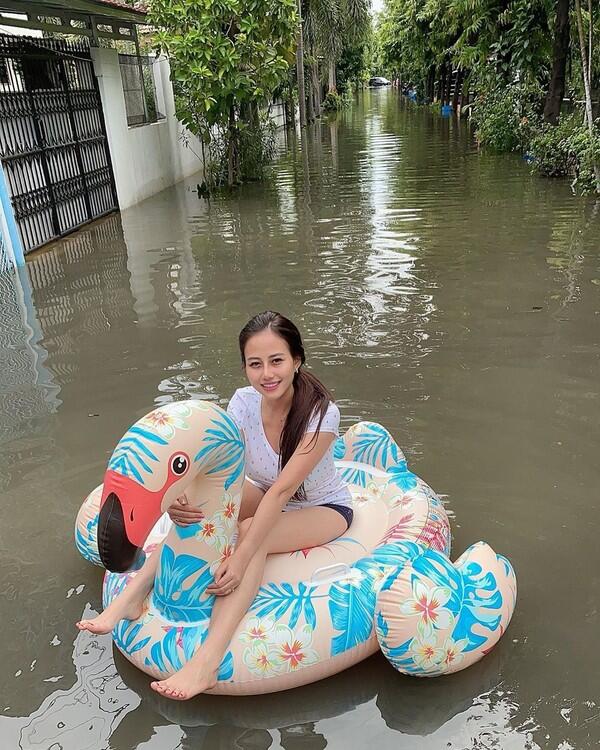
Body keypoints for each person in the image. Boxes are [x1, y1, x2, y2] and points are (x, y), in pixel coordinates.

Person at [77, 311, 353, 700]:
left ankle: (206, 663)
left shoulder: (321, 413)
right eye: (255, 364)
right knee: (206, 502)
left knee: (248, 534)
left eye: (277, 361)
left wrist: (239, 559)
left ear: (297, 360)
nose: (267, 374)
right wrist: (180, 502)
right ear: (244, 368)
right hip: (264, 489)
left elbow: (282, 492)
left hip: (322, 507)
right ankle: (133, 595)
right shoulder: (242, 403)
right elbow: (213, 461)